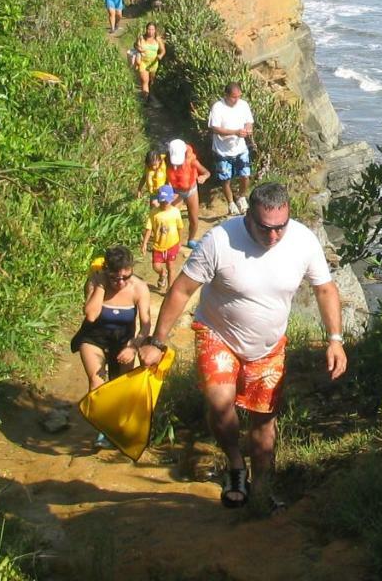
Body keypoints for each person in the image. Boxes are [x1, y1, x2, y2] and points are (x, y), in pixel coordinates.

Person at [139, 182, 347, 512]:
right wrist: (157, 342)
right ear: (249, 215)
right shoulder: (220, 240)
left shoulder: (303, 240)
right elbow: (181, 289)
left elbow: (325, 289)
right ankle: (236, 466)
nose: (275, 236)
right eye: (266, 228)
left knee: (264, 425)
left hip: (268, 346)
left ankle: (262, 492)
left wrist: (335, 340)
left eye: (281, 227)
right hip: (217, 334)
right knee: (221, 405)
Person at [72, 246, 152, 444]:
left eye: (126, 276)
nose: (121, 282)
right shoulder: (95, 282)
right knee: (97, 381)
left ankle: (117, 425)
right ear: (107, 271)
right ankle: (103, 427)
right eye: (115, 278)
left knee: (120, 385)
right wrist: (100, 286)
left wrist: (133, 346)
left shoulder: (139, 288)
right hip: (93, 338)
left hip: (124, 341)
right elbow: (90, 315)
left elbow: (146, 325)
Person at [208, 82, 254, 215]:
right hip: (222, 150)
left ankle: (241, 197)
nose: (237, 99)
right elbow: (215, 128)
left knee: (245, 175)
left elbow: (249, 121)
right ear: (226, 95)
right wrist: (235, 132)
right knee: (225, 178)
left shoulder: (243, 105)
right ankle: (230, 202)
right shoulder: (218, 107)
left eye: (239, 96)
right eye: (234, 97)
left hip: (240, 148)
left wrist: (248, 129)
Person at [166, 138, 210, 248]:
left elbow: (206, 172)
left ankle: (191, 239)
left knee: (194, 219)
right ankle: (174, 241)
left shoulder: (192, 161)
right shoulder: (166, 161)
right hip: (176, 191)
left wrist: (203, 177)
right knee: (171, 218)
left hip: (191, 190)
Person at [141, 184, 186, 292]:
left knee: (171, 267)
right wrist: (144, 243)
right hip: (158, 245)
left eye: (166, 201)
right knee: (156, 266)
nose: (164, 203)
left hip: (172, 244)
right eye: (162, 201)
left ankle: (169, 289)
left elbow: (180, 227)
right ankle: (162, 274)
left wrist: (179, 242)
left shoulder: (175, 212)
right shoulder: (154, 213)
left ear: (171, 199)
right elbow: (149, 228)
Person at [130, 22, 166, 100]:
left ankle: (150, 95)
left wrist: (160, 55)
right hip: (143, 62)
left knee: (151, 82)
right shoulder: (141, 38)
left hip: (154, 63)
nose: (150, 31)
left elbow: (163, 50)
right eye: (149, 29)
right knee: (144, 81)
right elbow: (135, 44)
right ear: (146, 30)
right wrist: (138, 48)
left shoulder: (158, 39)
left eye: (152, 29)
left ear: (155, 30)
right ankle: (145, 100)